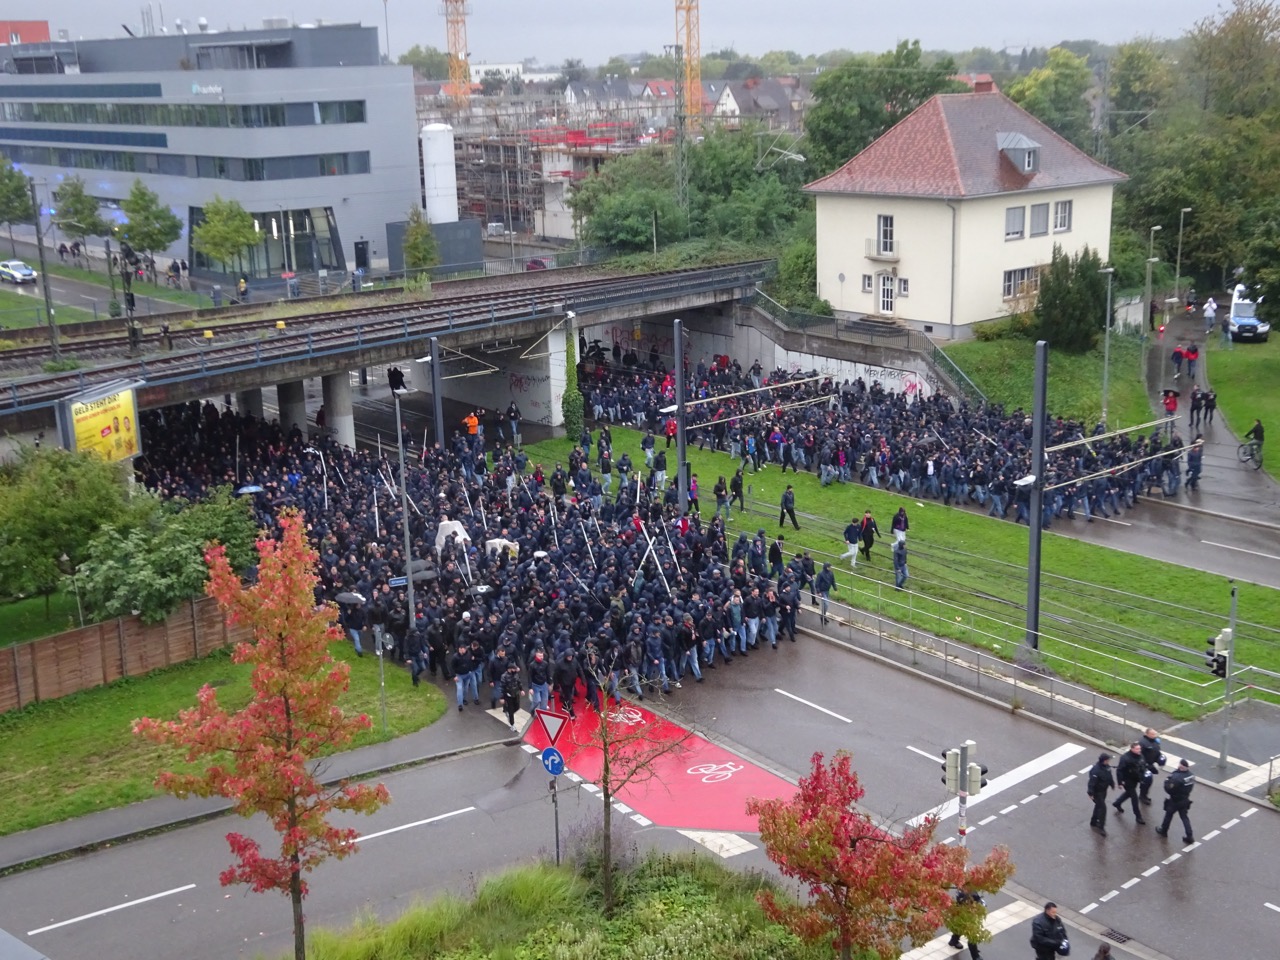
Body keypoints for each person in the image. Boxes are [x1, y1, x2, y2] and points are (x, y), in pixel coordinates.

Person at [1155, 758, 1195, 843]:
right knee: (1184, 817)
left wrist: (1166, 781)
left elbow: (1168, 788)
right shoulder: (1191, 776)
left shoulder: (1177, 777)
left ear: (1181, 766)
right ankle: (1189, 835)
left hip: (1175, 800)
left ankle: (1164, 830)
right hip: (1185, 799)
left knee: (1168, 815)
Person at [946, 886, 986, 960]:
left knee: (959, 927)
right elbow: (975, 901)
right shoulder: (968, 893)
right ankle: (975, 956)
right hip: (967, 914)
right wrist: (980, 904)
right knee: (972, 936)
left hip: (960, 913)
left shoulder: (962, 889)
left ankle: (953, 941)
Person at [1112, 741, 1147, 824]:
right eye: (1137, 749)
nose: (1139, 750)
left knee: (1128, 793)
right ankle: (1138, 816)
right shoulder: (1125, 758)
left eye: (1140, 749)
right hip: (1128, 781)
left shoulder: (1140, 756)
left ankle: (1117, 803)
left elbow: (1143, 765)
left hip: (1136, 779)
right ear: (1132, 749)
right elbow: (1119, 770)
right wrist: (1120, 782)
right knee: (1134, 798)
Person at [1087, 752, 1115, 836]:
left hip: (1103, 791)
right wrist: (1090, 793)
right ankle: (1101, 827)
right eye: (1108, 760)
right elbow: (1091, 782)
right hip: (1097, 792)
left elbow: (1109, 776)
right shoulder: (1096, 770)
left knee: (1098, 806)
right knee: (1103, 808)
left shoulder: (1107, 767)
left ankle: (1094, 821)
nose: (1109, 761)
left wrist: (1112, 783)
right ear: (1104, 760)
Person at [1137, 727, 1166, 805]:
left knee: (1149, 782)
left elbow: (1156, 751)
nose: (1154, 735)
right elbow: (1139, 755)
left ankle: (1144, 795)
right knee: (1146, 781)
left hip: (1151, 764)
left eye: (1155, 734)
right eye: (1152, 734)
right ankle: (1142, 796)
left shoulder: (1155, 741)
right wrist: (1145, 765)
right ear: (1147, 734)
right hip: (1144, 766)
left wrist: (1160, 758)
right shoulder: (1142, 743)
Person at [499, 660, 524, 731]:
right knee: (511, 709)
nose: (515, 670)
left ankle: (508, 713)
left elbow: (519, 682)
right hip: (508, 695)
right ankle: (512, 724)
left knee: (517, 707)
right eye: (514, 669)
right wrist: (502, 697)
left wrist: (521, 689)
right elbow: (502, 687)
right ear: (509, 669)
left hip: (516, 694)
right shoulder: (504, 676)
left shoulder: (516, 674)